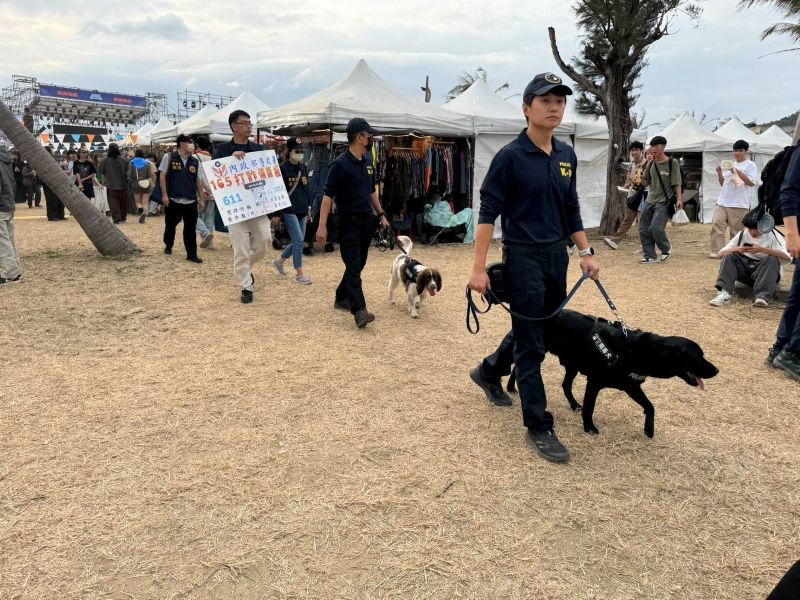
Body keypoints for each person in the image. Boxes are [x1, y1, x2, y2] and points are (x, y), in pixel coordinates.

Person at [467, 72, 600, 463]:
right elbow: (488, 213)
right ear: (527, 108)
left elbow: (570, 207)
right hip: (522, 257)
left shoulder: (566, 155)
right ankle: (538, 424)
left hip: (557, 256)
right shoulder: (509, 157)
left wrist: (585, 251)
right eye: (545, 100)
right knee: (531, 344)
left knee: (543, 327)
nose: (554, 107)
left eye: (559, 101)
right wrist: (478, 268)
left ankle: (489, 371)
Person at [316, 117, 390, 328]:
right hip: (348, 222)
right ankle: (359, 310)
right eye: (369, 135)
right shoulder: (340, 164)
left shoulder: (367, 161)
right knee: (354, 266)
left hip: (366, 222)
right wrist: (322, 225)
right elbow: (327, 197)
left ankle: (341, 297)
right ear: (359, 137)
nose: (371, 138)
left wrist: (381, 215)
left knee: (358, 264)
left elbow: (371, 191)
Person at [213, 110, 269, 303]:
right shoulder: (222, 150)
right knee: (241, 249)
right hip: (235, 207)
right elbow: (216, 177)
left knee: (264, 243)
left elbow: (267, 175)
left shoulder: (258, 149)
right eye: (244, 123)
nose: (248, 126)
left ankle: (245, 268)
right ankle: (246, 286)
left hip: (257, 205)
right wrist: (230, 162)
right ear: (234, 127)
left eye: (250, 123)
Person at [708, 209, 790, 308]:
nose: (751, 232)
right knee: (729, 256)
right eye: (749, 228)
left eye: (754, 229)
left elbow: (787, 256)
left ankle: (762, 297)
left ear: (763, 226)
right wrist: (737, 249)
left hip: (766, 274)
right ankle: (724, 294)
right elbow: (721, 254)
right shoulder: (743, 233)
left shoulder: (774, 235)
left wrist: (763, 250)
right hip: (746, 271)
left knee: (772, 259)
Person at [767, 145, 800, 380]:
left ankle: (781, 349)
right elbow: (789, 191)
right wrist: (791, 233)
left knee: (797, 295)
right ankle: (793, 352)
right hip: (797, 230)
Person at [272, 137, 313, 284]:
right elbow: (277, 191)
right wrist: (276, 214)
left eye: (302, 151)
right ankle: (299, 273)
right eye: (297, 151)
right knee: (298, 240)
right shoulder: (282, 168)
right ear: (289, 151)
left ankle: (279, 261)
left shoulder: (304, 167)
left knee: (298, 241)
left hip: (302, 209)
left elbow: (307, 188)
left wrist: (309, 207)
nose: (300, 153)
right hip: (289, 209)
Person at [159, 134, 206, 264]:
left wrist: (201, 198)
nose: (192, 145)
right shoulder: (169, 157)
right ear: (181, 144)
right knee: (170, 225)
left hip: (190, 200)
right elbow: (162, 175)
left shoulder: (195, 161)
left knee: (190, 229)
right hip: (173, 199)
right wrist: (164, 195)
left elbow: (198, 181)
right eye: (189, 142)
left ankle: (192, 254)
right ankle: (168, 244)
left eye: (192, 143)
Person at [710, 140, 758, 258]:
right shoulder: (729, 164)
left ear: (746, 151)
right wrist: (719, 172)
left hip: (739, 203)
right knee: (717, 225)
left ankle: (736, 252)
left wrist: (735, 171)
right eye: (735, 150)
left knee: (736, 230)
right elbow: (723, 183)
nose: (737, 153)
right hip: (722, 201)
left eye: (740, 150)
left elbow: (751, 182)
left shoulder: (750, 165)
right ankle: (717, 251)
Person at [639, 136, 682, 263]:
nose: (653, 149)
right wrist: (638, 177)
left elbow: (677, 183)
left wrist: (679, 199)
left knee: (656, 228)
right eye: (652, 146)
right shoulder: (650, 164)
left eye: (656, 146)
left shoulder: (672, 163)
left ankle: (666, 248)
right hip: (649, 200)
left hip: (664, 201)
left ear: (663, 147)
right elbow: (645, 183)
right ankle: (650, 256)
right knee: (643, 229)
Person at [604, 140, 647, 250]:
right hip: (632, 196)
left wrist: (634, 180)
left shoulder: (647, 164)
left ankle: (646, 245)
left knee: (643, 222)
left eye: (636, 150)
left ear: (641, 151)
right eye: (632, 150)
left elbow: (645, 182)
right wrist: (625, 186)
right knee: (627, 220)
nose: (634, 152)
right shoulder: (631, 165)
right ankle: (614, 241)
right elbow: (629, 182)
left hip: (643, 197)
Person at [0, 142, 22, 285]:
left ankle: (11, 274)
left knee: (3, 242)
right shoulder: (7, 162)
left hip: (1, 205)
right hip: (8, 204)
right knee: (9, 240)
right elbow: (13, 184)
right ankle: (16, 271)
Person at [98, 144, 130, 224]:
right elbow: (128, 173)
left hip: (111, 186)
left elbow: (103, 174)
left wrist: (103, 183)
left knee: (113, 203)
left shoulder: (105, 161)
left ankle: (116, 219)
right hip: (123, 185)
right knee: (123, 203)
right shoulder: (124, 160)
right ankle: (123, 217)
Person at [193, 136, 215, 248]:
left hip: (198, 191)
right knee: (209, 217)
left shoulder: (193, 158)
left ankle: (205, 233)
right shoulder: (213, 158)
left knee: (193, 215)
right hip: (212, 192)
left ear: (197, 145)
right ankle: (209, 244)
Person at [128, 148, 156, 224]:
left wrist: (131, 182)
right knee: (145, 202)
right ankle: (144, 217)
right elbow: (149, 175)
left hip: (136, 183)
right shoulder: (147, 163)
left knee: (138, 202)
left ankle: (141, 211)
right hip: (146, 183)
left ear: (136, 154)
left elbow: (129, 175)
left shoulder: (132, 162)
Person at [42, 147, 65, 221]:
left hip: (57, 181)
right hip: (49, 181)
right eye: (52, 150)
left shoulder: (53, 160)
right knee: (51, 199)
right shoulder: (44, 161)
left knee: (59, 199)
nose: (53, 151)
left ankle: (60, 215)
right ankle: (52, 216)